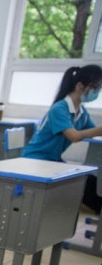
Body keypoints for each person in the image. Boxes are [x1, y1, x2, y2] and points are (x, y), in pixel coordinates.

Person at [23, 65, 102, 214]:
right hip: (35, 161)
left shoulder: (81, 111)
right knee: (84, 186)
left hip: (53, 161)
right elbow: (73, 136)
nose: (97, 93)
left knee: (91, 183)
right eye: (95, 88)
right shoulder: (60, 108)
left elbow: (93, 132)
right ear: (80, 86)